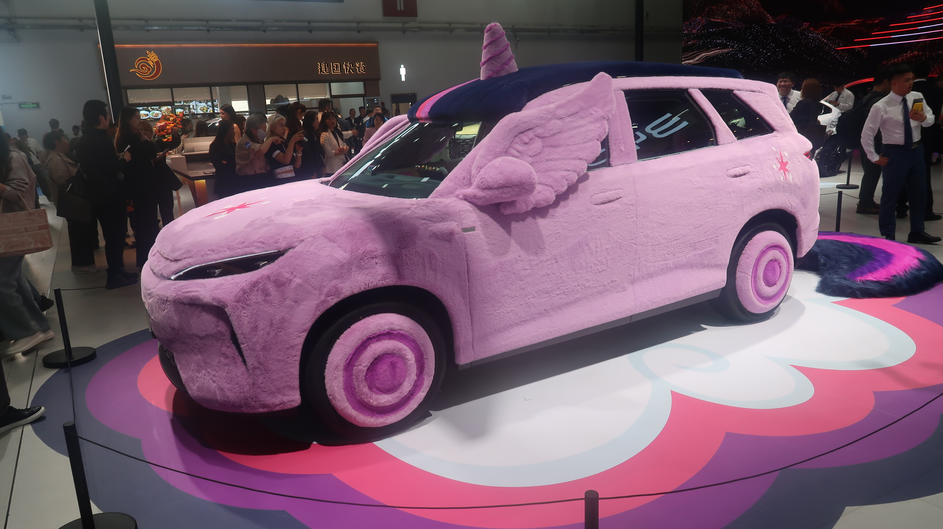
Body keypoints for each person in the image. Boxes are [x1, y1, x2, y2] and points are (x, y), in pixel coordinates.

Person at [860, 63, 940, 244]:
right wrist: (873, 157)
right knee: (890, 194)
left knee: (919, 193)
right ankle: (889, 234)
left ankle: (917, 231)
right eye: (906, 80)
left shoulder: (917, 97)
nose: (910, 83)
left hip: (917, 151)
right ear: (894, 83)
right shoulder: (881, 106)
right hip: (894, 153)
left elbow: (930, 119)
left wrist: (923, 118)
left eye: (911, 79)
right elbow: (867, 133)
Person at [73, 100, 137, 289]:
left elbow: (95, 167)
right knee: (116, 237)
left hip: (95, 195)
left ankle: (117, 271)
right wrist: (124, 160)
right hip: (110, 195)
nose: (109, 119)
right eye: (107, 115)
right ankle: (115, 274)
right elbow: (110, 169)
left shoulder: (82, 141)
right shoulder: (101, 140)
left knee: (112, 237)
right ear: (101, 118)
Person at [0, 137, 55, 355]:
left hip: (12, 228)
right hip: (8, 230)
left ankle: (26, 331)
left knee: (3, 282)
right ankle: (39, 328)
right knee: (15, 280)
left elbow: (19, 193)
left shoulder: (13, 157)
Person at [43, 130, 98, 274]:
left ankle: (84, 263)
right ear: (57, 142)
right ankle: (81, 264)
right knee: (78, 233)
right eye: (64, 138)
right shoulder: (55, 160)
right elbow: (63, 181)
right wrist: (81, 178)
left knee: (80, 232)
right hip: (72, 201)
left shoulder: (59, 157)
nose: (67, 141)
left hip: (74, 202)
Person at [115, 107, 162, 267]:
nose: (139, 120)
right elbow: (151, 153)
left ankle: (144, 260)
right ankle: (147, 260)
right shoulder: (130, 137)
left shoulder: (123, 136)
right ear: (128, 119)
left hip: (137, 185)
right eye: (136, 117)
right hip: (142, 186)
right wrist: (144, 138)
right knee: (147, 224)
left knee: (144, 224)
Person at [855, 72, 892, 215]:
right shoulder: (879, 102)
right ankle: (865, 203)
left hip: (864, 141)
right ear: (886, 81)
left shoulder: (866, 98)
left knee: (870, 172)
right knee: (871, 173)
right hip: (874, 143)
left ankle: (867, 201)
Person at [139, 121, 180, 228]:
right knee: (151, 214)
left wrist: (175, 134)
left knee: (167, 211)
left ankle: (169, 231)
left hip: (163, 181)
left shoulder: (157, 143)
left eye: (146, 130)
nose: (143, 133)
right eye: (141, 130)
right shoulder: (139, 147)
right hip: (148, 183)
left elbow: (173, 144)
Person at [235, 113, 280, 193]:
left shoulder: (258, 141)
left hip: (262, 178)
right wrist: (271, 139)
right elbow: (260, 151)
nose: (265, 131)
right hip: (250, 181)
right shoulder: (244, 142)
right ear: (254, 130)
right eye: (263, 129)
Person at [265, 114, 305, 185]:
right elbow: (285, 160)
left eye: (284, 125)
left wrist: (298, 153)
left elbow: (296, 165)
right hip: (280, 182)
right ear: (272, 127)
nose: (284, 128)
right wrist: (292, 141)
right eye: (281, 125)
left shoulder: (284, 143)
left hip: (292, 180)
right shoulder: (270, 144)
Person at [791, 79, 826, 156]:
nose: (801, 90)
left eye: (802, 88)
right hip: (810, 138)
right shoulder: (816, 104)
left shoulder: (804, 103)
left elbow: (791, 118)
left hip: (801, 137)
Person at [319, 111, 357, 177]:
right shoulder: (324, 135)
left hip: (342, 164)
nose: (332, 121)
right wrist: (340, 152)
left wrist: (345, 148)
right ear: (324, 121)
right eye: (329, 119)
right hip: (332, 167)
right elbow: (328, 153)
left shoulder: (337, 131)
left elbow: (344, 143)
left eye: (333, 118)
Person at [209, 120, 238, 197]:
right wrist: (231, 163)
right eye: (232, 129)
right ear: (225, 130)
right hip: (223, 183)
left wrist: (227, 162)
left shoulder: (234, 145)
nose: (234, 132)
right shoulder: (215, 146)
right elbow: (218, 164)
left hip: (235, 182)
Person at [298, 111, 323, 179]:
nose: (318, 122)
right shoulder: (305, 136)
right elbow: (307, 156)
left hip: (317, 167)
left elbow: (318, 153)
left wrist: (322, 165)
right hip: (309, 170)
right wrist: (311, 172)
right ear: (310, 121)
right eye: (316, 119)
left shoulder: (315, 134)